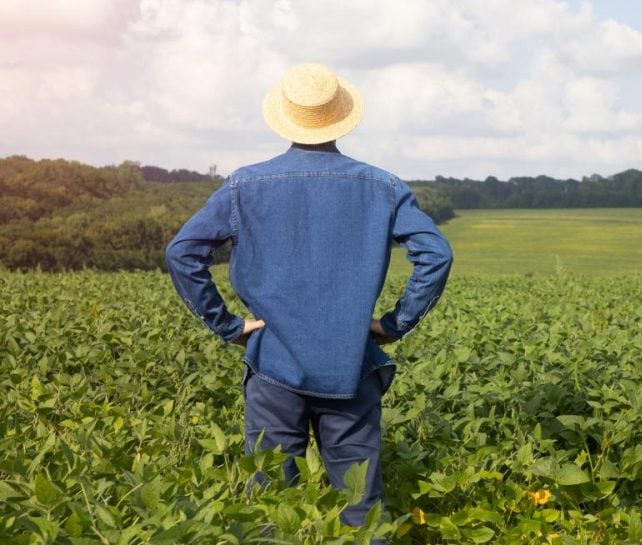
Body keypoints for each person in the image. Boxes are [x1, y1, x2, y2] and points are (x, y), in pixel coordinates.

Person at [165, 63, 453, 539]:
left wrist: (228, 326)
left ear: (285, 116)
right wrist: (394, 323)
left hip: (273, 365)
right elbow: (436, 255)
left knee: (271, 509)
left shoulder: (244, 185)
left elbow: (182, 252)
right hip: (351, 366)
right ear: (340, 117)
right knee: (361, 513)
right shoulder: (382, 186)